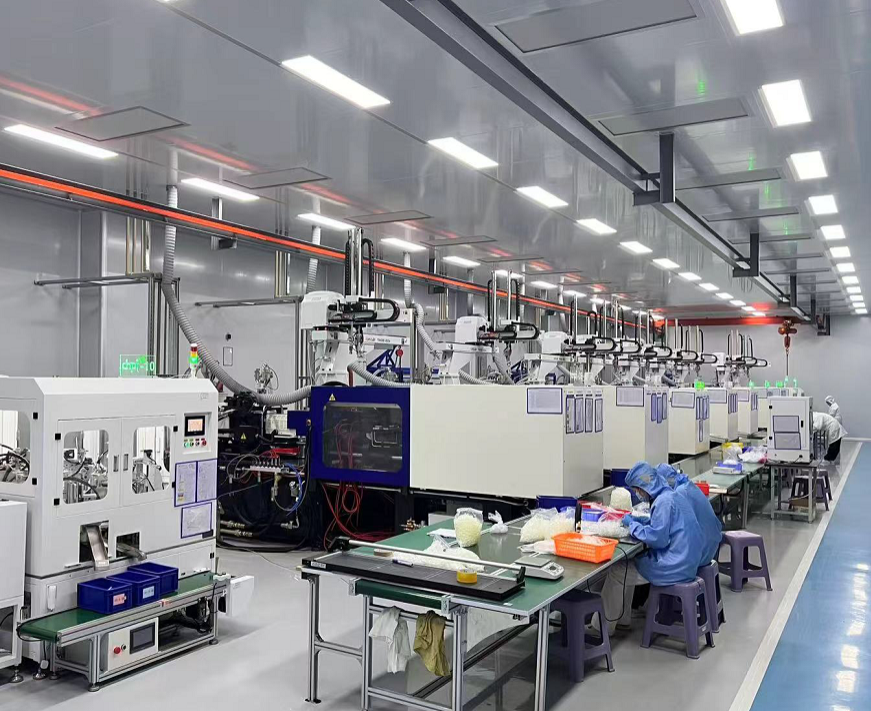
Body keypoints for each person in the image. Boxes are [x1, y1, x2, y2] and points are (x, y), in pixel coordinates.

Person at [597, 462, 706, 633]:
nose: (637, 494)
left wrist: (632, 526)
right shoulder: (672, 495)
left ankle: (602, 629)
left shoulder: (663, 502)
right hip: (688, 560)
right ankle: (623, 620)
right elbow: (665, 525)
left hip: (674, 566)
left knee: (618, 570)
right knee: (630, 563)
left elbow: (658, 539)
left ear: (644, 486)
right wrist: (642, 521)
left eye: (637, 489)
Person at [657, 463, 723, 567]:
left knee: (654, 558)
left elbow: (670, 528)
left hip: (701, 551)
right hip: (712, 544)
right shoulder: (688, 486)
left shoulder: (680, 492)